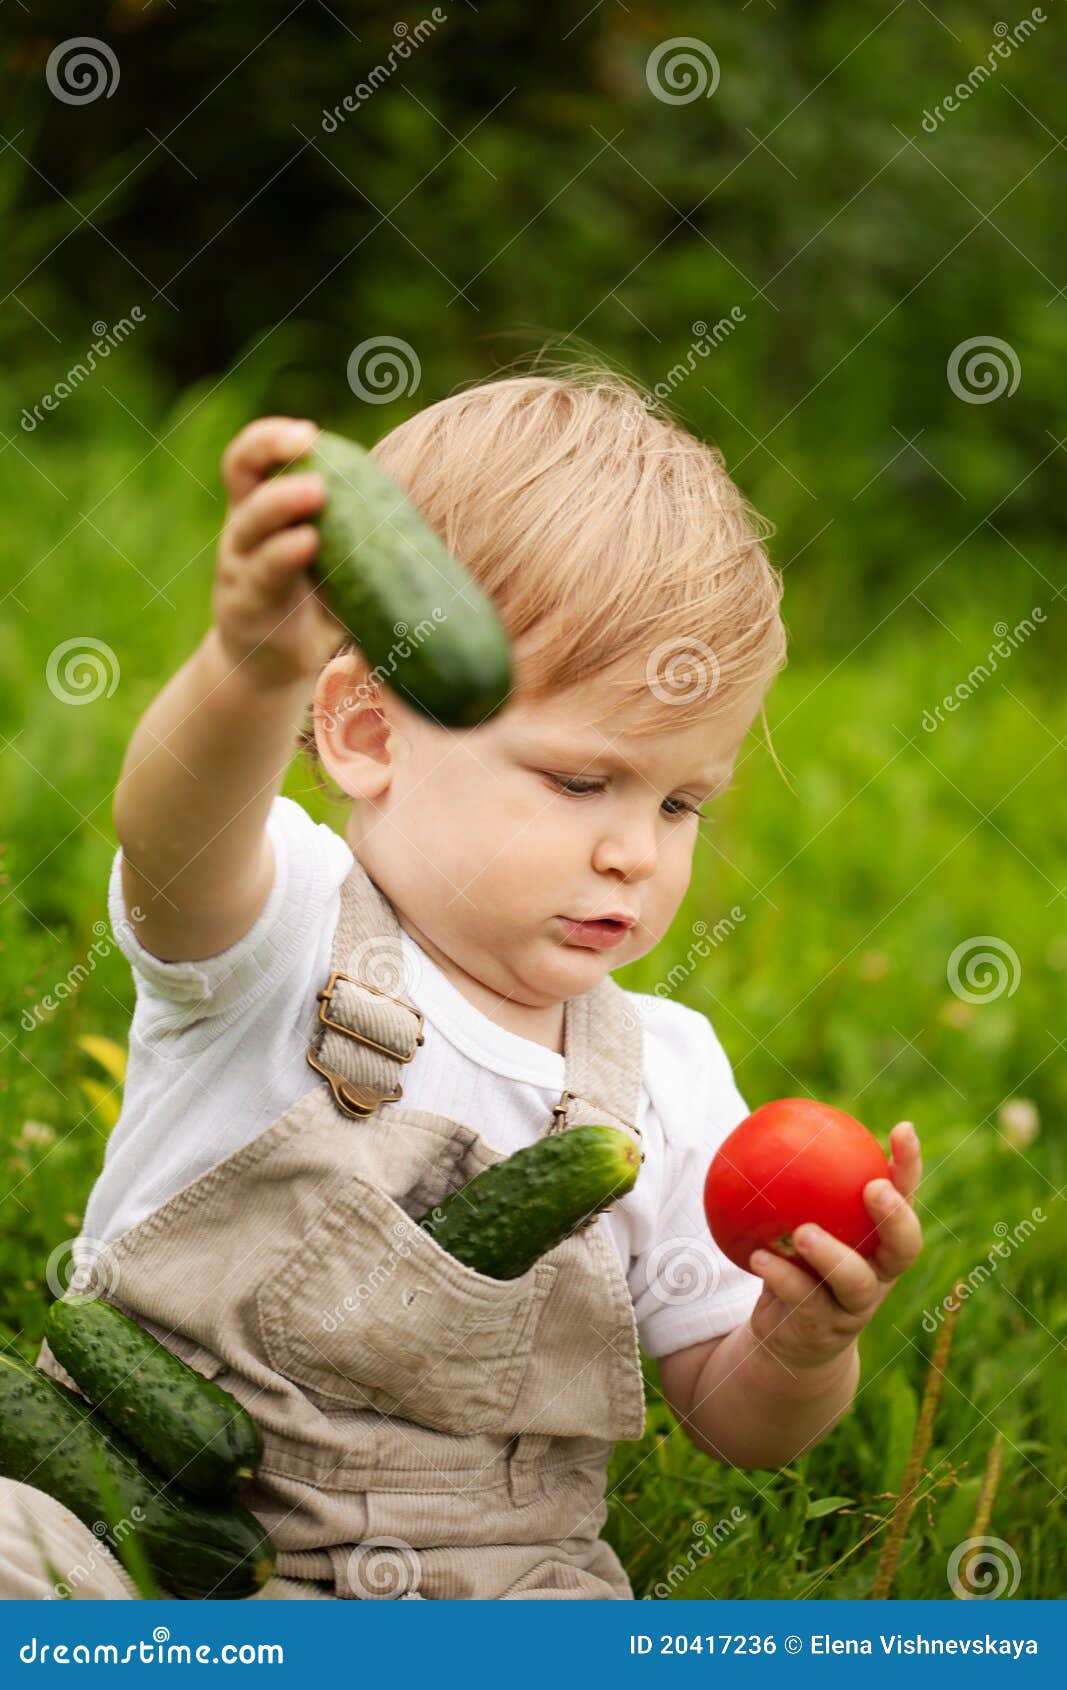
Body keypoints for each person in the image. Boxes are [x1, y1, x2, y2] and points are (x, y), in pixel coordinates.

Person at [0, 362, 923, 1600]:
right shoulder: (285, 929)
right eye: (580, 781)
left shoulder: (663, 1073)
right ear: (367, 732)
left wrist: (801, 1349)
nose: (632, 849)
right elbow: (171, 834)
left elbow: (731, 1418)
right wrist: (248, 667)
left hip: (488, 1584)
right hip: (136, 1517)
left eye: (680, 800)